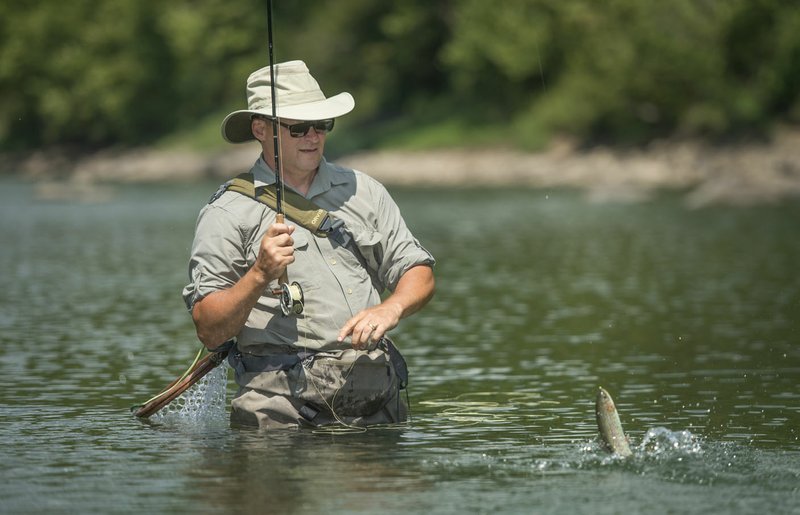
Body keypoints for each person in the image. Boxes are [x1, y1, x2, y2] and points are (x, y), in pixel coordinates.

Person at [182, 60, 435, 429]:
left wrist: (391, 308)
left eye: (322, 124)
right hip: (279, 409)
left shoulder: (365, 191)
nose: (313, 136)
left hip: (375, 399)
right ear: (260, 129)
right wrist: (259, 274)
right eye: (299, 127)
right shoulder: (226, 212)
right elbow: (209, 329)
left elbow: (420, 273)